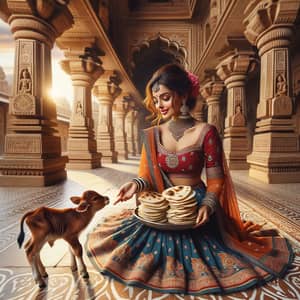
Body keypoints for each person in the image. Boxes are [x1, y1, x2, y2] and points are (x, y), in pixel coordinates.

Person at [86, 64, 293, 295]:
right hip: (162, 204)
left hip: (195, 204)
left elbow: (216, 178)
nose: (159, 105)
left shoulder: (206, 132)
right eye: (156, 99)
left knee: (211, 250)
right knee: (133, 248)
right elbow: (146, 176)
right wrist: (136, 185)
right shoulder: (153, 134)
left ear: (183, 94)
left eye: (164, 97)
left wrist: (209, 204)